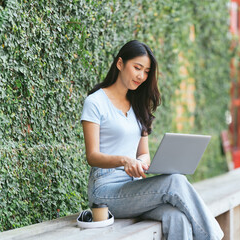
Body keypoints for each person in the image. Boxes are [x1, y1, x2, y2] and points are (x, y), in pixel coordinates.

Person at [80, 40, 223, 240]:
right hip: (105, 191)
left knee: (178, 218)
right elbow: (92, 156)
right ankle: (213, 237)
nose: (141, 76)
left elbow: (143, 153)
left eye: (146, 71)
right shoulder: (95, 102)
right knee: (175, 181)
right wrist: (124, 160)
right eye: (137, 68)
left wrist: (142, 163)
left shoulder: (139, 106)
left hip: (135, 189)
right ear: (120, 64)